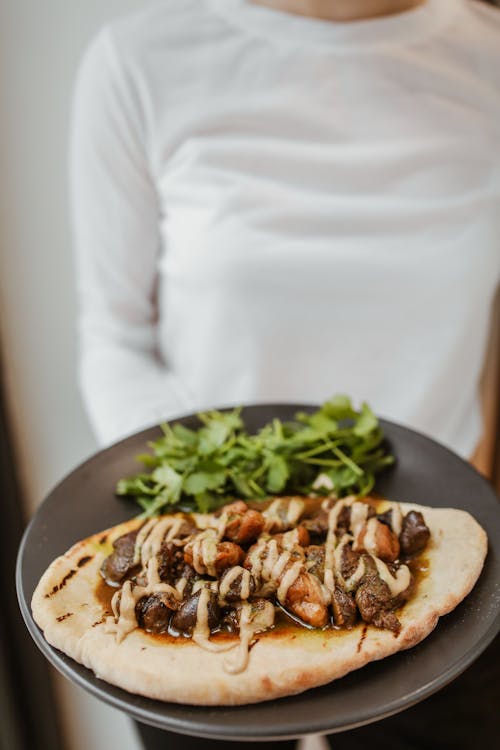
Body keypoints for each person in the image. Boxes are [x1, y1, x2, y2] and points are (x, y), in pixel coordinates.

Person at [70, 0, 500, 748]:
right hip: (196, 571)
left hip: (438, 551)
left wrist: (483, 465)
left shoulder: (487, 53)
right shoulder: (138, 58)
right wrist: (192, 521)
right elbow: (114, 335)